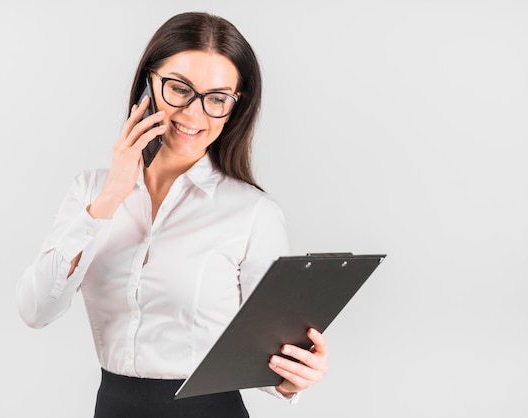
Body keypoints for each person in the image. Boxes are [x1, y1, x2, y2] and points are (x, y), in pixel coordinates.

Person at [17, 11, 329, 418]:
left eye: (217, 98)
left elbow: (266, 352)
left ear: (235, 107)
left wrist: (293, 376)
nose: (194, 114)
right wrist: (111, 196)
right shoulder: (90, 192)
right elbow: (36, 311)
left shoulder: (253, 213)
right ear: (149, 82)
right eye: (179, 88)